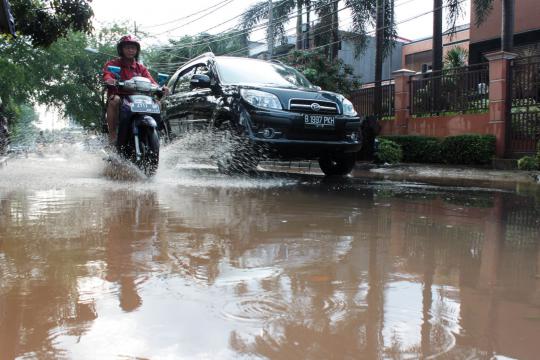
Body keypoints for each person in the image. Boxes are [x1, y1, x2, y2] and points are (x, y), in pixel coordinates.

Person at [102, 35, 168, 146]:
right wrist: (109, 80)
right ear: (121, 49)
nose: (130, 50)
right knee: (114, 100)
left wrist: (161, 88)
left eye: (133, 48)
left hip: (139, 98)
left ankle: (158, 132)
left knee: (157, 102)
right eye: (127, 47)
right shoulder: (113, 64)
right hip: (122, 98)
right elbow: (107, 75)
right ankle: (112, 136)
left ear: (137, 50)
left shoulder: (141, 68)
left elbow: (151, 81)